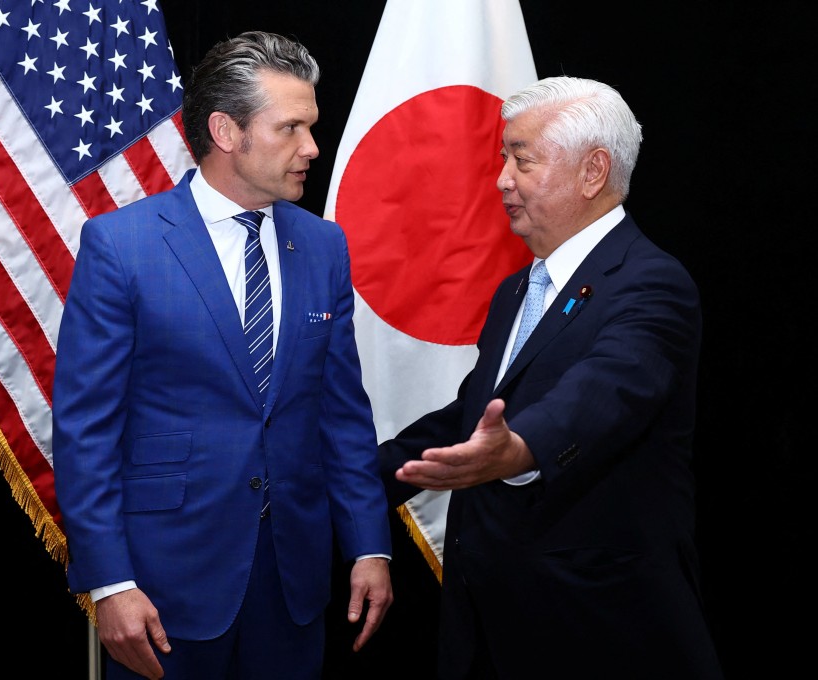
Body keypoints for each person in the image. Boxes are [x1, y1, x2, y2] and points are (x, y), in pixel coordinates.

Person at [51, 31, 392, 680]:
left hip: (292, 583)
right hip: (162, 584)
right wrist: (108, 581)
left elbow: (342, 414)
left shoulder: (323, 246)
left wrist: (371, 546)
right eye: (290, 127)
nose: (311, 148)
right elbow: (84, 430)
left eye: (311, 127)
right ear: (225, 131)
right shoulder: (121, 246)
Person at [379, 76, 724, 679]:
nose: (502, 179)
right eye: (504, 157)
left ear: (593, 172)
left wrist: (522, 447)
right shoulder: (517, 289)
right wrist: (350, 478)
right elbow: (473, 415)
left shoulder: (651, 283)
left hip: (597, 633)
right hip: (487, 623)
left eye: (522, 159)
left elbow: (605, 391)